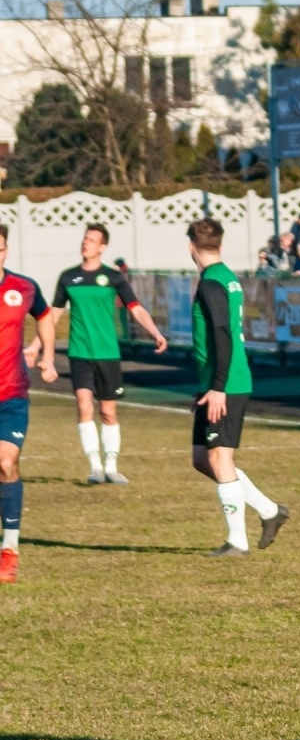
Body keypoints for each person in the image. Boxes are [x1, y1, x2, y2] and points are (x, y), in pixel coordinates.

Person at [185, 218, 289, 558]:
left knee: (219, 456)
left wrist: (217, 388)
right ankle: (270, 511)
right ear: (220, 245)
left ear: (190, 247)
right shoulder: (226, 278)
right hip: (217, 381)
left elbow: (223, 335)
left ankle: (237, 542)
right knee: (203, 459)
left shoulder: (211, 283)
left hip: (227, 384)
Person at [50, 223, 166, 485]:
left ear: (102, 247)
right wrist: (38, 346)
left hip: (108, 354)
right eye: (85, 238)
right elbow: (53, 314)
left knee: (108, 413)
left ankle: (112, 467)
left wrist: (155, 332)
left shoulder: (114, 278)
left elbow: (135, 308)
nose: (86, 243)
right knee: (83, 405)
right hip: (80, 353)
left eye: (92, 240)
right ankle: (95, 467)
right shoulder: (68, 277)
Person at [0, 225, 55, 582]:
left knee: (6, 462)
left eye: (0, 248)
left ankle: (10, 548)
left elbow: (46, 315)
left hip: (12, 393)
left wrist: (47, 355)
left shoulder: (23, 287)